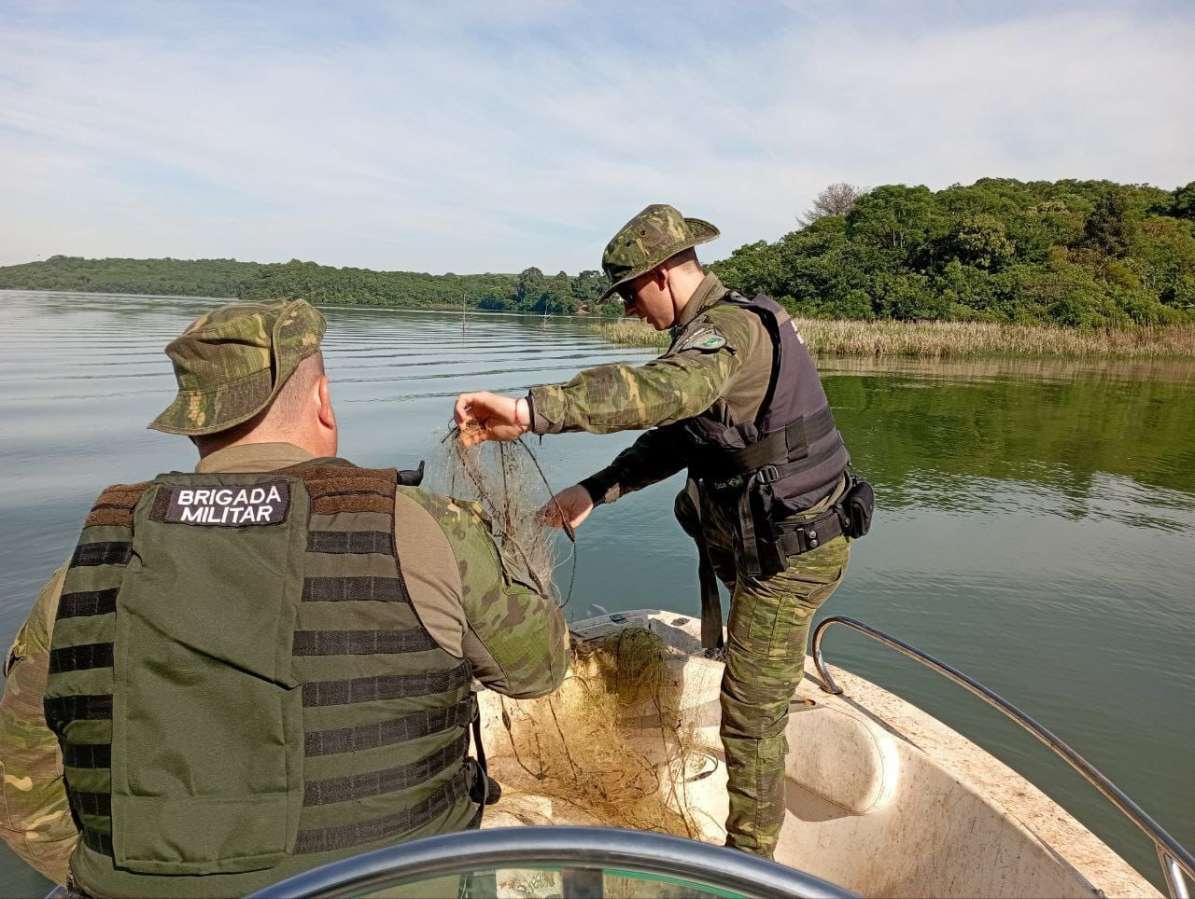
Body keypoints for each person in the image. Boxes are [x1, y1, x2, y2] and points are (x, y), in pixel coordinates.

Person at [0, 299, 569, 897]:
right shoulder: (425, 527)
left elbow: (20, 780)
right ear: (322, 401)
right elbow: (539, 667)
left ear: (195, 421)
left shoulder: (92, 563)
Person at [454, 204, 872, 860]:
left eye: (626, 293)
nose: (627, 310)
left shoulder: (725, 333)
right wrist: (592, 490)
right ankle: (763, 676)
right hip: (762, 542)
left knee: (748, 712)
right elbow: (681, 437)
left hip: (794, 553)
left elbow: (657, 396)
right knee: (751, 676)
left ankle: (748, 865)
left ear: (659, 275)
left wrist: (529, 410)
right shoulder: (710, 333)